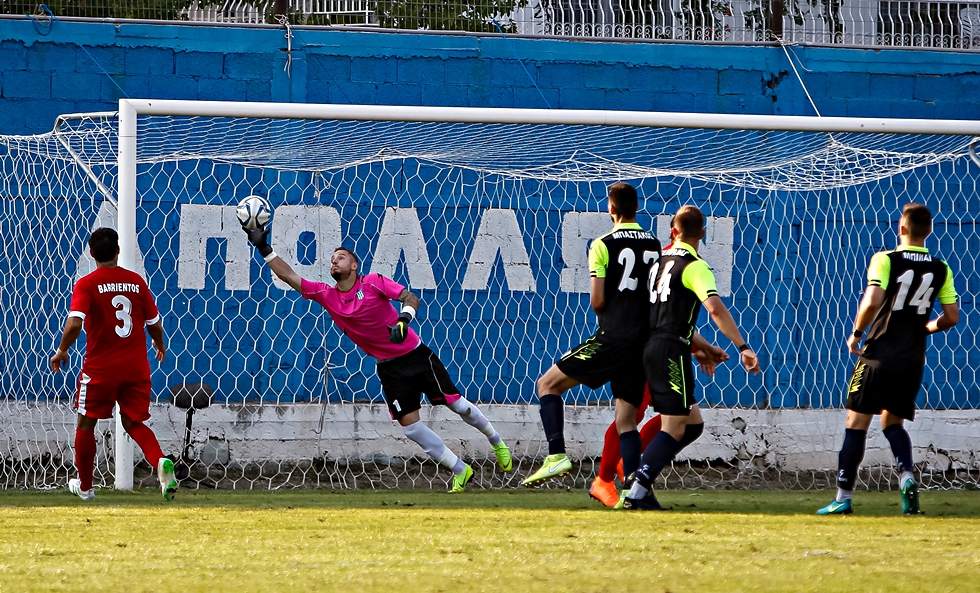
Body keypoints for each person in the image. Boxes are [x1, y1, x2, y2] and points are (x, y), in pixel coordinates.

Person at [242, 225, 511, 493]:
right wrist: (263, 247)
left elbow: (409, 298)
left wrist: (403, 320)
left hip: (416, 356)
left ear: (354, 266)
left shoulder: (372, 282)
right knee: (411, 428)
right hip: (389, 368)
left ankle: (496, 440)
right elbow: (288, 275)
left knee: (457, 405)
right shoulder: (327, 295)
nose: (334, 261)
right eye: (332, 259)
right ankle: (461, 470)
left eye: (341, 257)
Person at [523, 182, 668, 489]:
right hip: (644, 341)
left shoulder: (602, 244)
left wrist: (611, 315)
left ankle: (556, 455)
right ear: (637, 207)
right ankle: (634, 491)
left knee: (547, 384)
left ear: (611, 208)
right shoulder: (655, 244)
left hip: (614, 336)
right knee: (626, 420)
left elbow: (598, 301)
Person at [817, 203, 958, 516]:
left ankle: (843, 497)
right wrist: (926, 327)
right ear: (929, 231)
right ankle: (907, 476)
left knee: (856, 423)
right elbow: (951, 317)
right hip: (912, 358)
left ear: (901, 228)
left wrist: (856, 333)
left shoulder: (885, 259)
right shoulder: (941, 267)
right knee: (893, 423)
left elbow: (872, 301)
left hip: (878, 354)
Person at [623, 205, 760, 511]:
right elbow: (715, 309)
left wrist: (700, 349)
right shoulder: (695, 266)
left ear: (673, 232)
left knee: (693, 424)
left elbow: (663, 316)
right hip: (671, 351)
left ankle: (641, 476)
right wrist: (743, 346)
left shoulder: (657, 264)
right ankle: (636, 489)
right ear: (703, 234)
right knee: (674, 428)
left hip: (652, 347)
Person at [50, 228, 177, 502]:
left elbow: (74, 323)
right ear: (118, 251)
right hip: (135, 368)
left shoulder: (86, 284)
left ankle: (86, 488)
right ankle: (160, 462)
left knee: (86, 424)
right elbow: (154, 323)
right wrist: (160, 344)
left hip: (101, 370)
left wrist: (61, 351)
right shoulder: (136, 282)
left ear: (91, 253)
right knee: (134, 422)